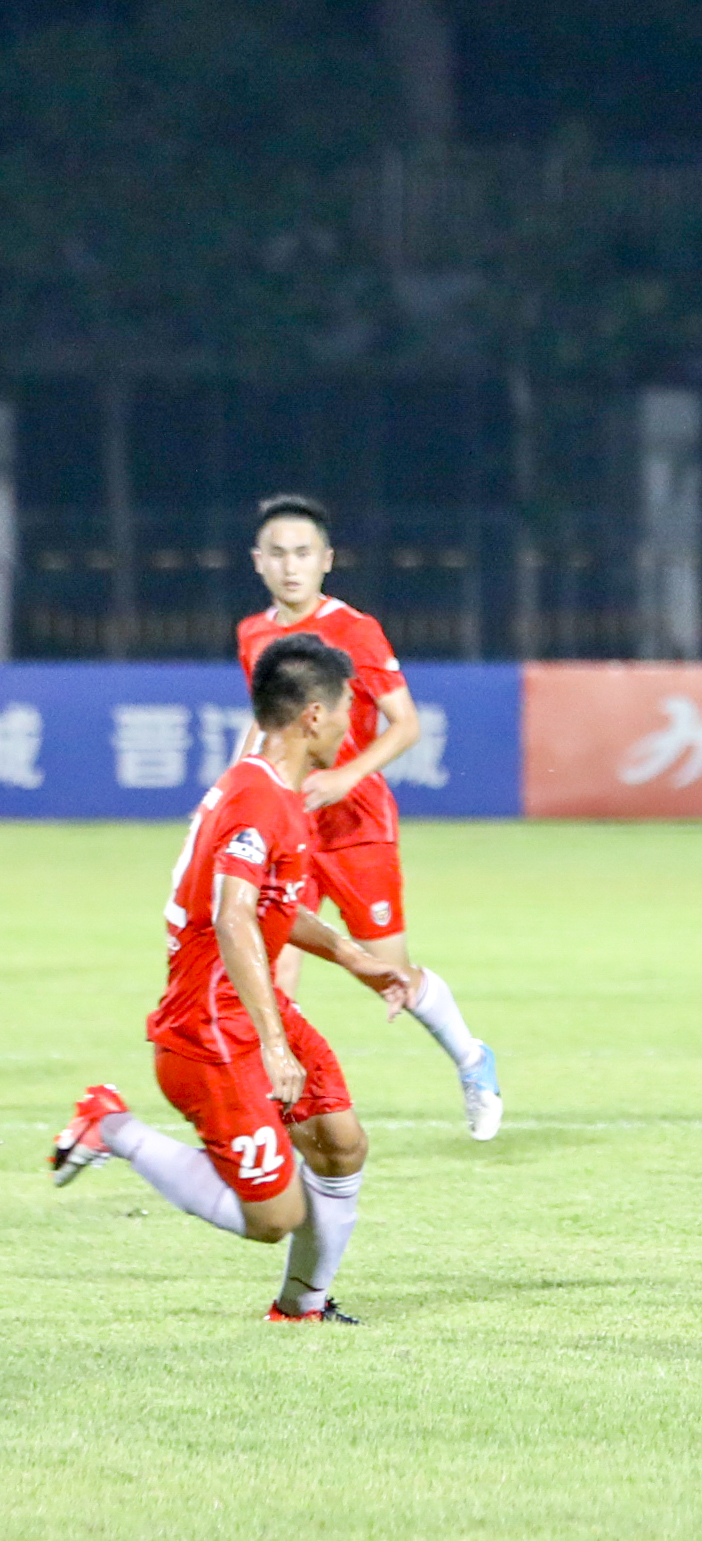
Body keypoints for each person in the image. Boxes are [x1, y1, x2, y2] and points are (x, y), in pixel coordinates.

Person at [51, 635, 417, 1321]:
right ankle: (113, 1126)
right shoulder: (257, 800)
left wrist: (353, 956)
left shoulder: (272, 789)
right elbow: (233, 914)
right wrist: (275, 1045)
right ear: (313, 715)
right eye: (345, 707)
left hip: (248, 1004)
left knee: (340, 1145)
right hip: (210, 1029)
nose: (350, 722)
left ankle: (302, 1307)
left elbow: (272, 906)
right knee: (274, 1217)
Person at [236, 494, 500, 1139]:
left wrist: (346, 775)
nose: (291, 566)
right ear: (258, 561)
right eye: (278, 554)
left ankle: (472, 1058)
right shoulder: (252, 635)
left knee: (391, 977)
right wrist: (234, 790)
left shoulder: (355, 630)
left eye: (303, 553)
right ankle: (278, 1114)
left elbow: (405, 724)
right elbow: (264, 724)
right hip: (290, 827)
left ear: (326, 560)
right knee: (272, 968)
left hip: (356, 825)